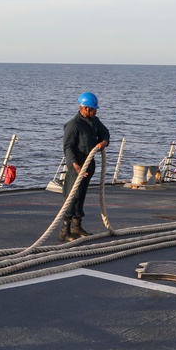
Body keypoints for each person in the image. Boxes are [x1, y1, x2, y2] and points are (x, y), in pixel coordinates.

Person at [60, 92, 111, 241]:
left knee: (81, 196)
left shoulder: (94, 121)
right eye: (94, 109)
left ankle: (77, 226)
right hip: (77, 168)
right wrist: (75, 166)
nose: (96, 111)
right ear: (85, 108)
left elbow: (105, 133)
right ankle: (65, 230)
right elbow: (68, 147)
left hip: (89, 165)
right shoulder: (73, 125)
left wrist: (104, 142)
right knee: (72, 196)